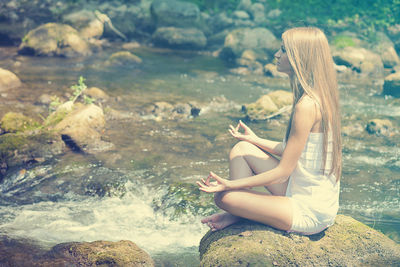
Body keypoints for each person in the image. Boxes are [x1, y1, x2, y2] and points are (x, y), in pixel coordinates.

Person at [197, 27, 342, 235]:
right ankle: (242, 211)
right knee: (242, 148)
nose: (277, 54)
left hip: (309, 209)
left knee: (224, 197)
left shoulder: (307, 105)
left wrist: (230, 184)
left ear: (299, 58)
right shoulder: (318, 95)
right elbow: (293, 150)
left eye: (283, 50)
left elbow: (282, 173)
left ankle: (240, 211)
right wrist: (254, 139)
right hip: (297, 189)